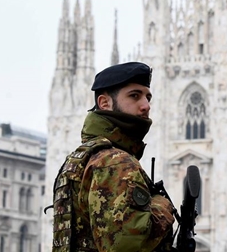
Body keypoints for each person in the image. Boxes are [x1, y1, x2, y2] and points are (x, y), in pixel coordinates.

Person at [52, 62, 176, 252]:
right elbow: (125, 245)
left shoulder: (81, 157)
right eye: (134, 96)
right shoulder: (114, 162)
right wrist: (162, 205)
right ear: (105, 103)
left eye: (148, 97)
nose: (146, 106)